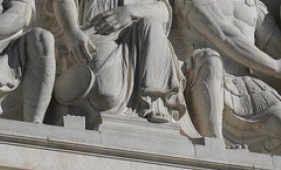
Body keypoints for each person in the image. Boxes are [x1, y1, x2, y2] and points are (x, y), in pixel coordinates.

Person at [173, 0, 281, 155]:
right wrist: (275, 66)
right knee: (211, 60)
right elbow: (223, 34)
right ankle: (214, 146)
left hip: (244, 82)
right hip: (203, 76)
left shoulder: (253, 5)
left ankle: (249, 167)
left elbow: (278, 48)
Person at [46, 0, 184, 128]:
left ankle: (155, 101)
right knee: (105, 93)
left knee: (152, 24)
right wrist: (71, 31)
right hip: (95, 36)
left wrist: (128, 11)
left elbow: (163, 11)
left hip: (137, 40)